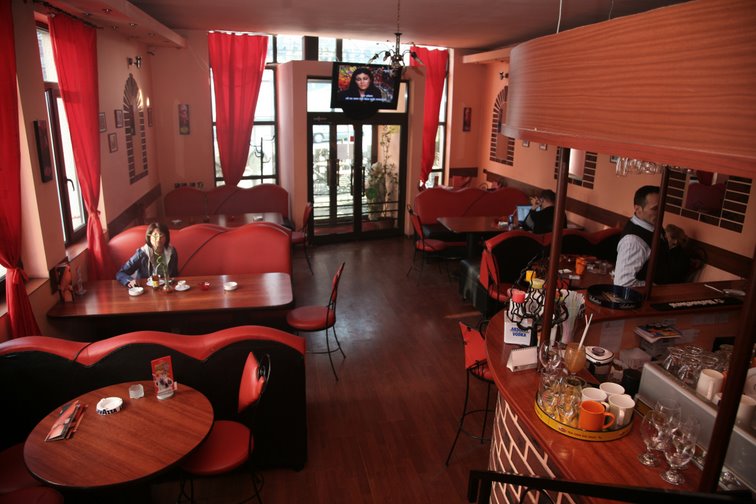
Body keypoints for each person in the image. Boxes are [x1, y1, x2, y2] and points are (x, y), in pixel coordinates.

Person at [614, 186, 672, 287]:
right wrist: (655, 287)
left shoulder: (653, 225)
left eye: (662, 207)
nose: (661, 213)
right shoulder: (633, 241)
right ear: (638, 209)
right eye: (655, 209)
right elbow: (623, 283)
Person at [116, 222, 179, 287]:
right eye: (155, 235)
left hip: (167, 288)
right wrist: (130, 281)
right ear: (149, 237)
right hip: (147, 288)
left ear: (166, 237)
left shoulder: (172, 252)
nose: (158, 239)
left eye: (161, 235)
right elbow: (121, 273)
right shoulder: (142, 254)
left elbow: (174, 274)